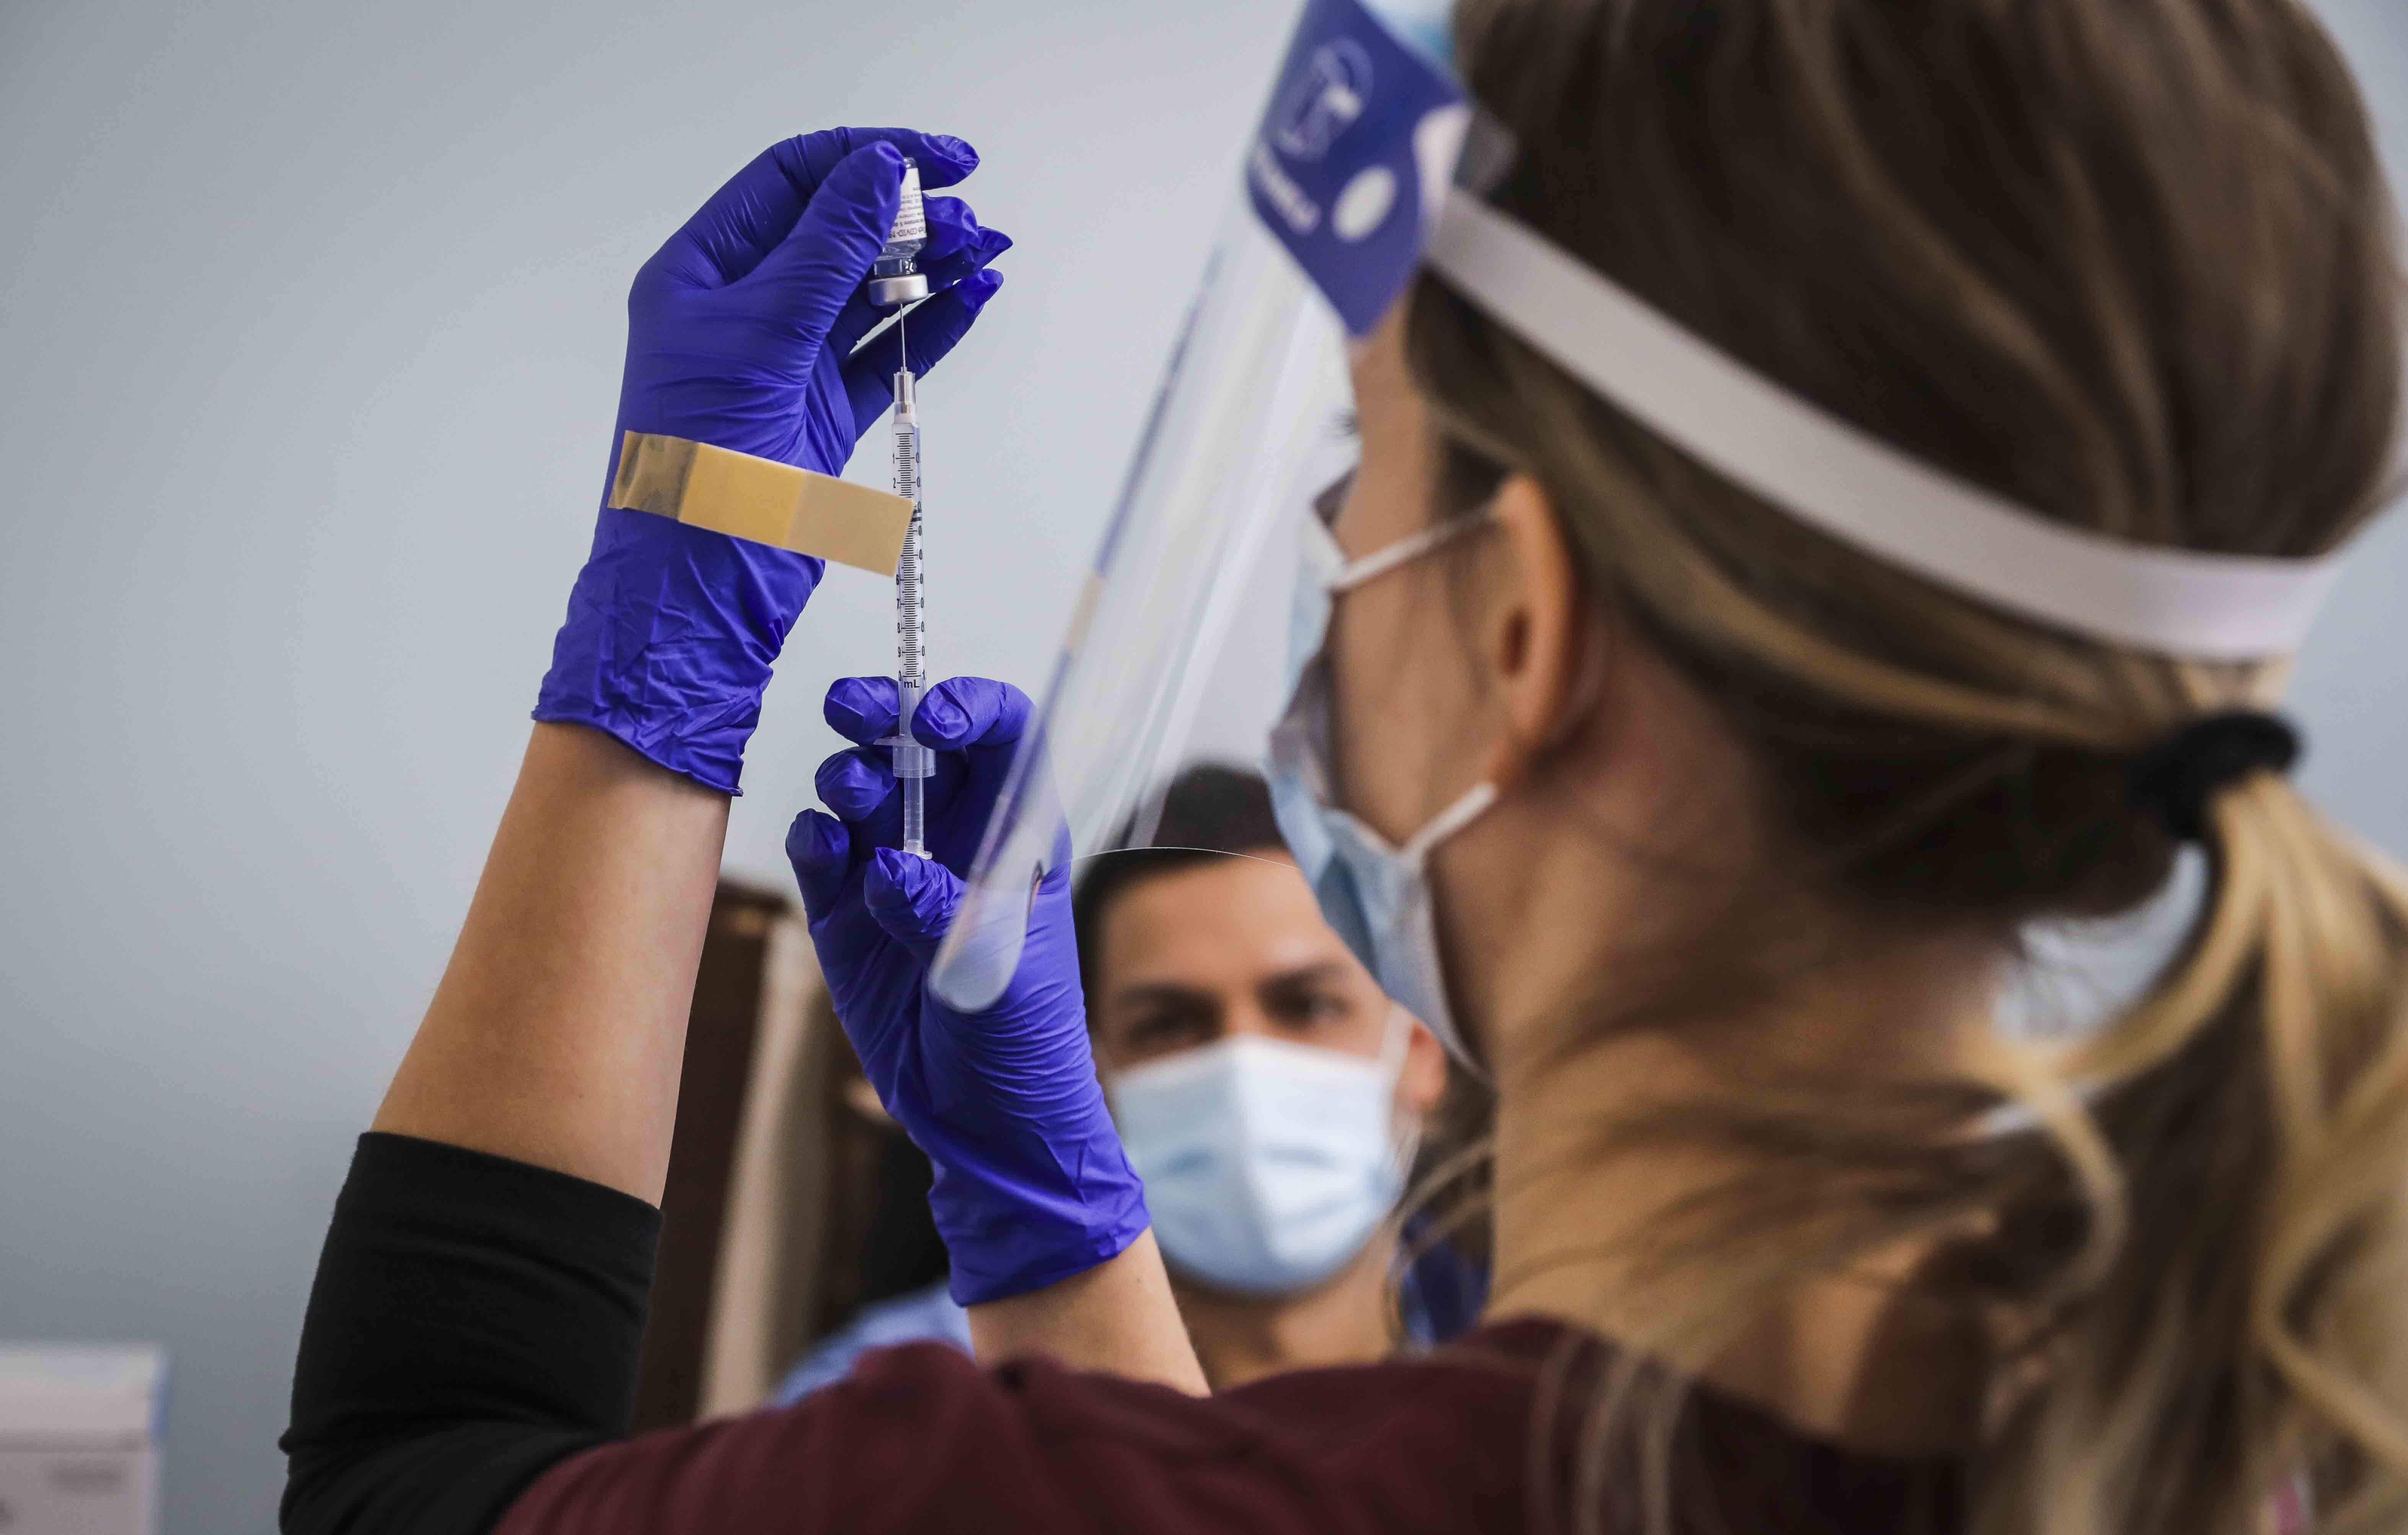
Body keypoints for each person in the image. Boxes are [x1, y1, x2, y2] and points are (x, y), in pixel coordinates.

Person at [279, 2, 2408, 1532]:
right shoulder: (2266, 1443)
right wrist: (1060, 1244)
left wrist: (658, 644)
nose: (1324, 553)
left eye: (1349, 469)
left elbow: (411, 1470)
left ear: (1521, 624)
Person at [772, 765, 1476, 1401]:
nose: (1243, 1064)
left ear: (1421, 1052)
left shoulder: (1528, 1369)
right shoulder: (905, 1408)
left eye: (1308, 1007)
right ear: (1090, 1079)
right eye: (1168, 1025)